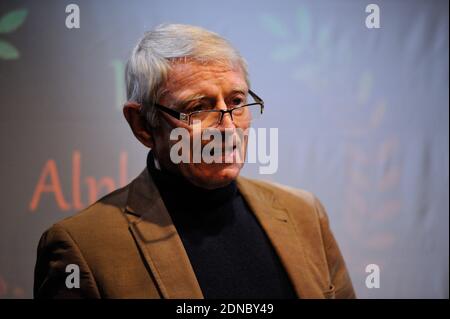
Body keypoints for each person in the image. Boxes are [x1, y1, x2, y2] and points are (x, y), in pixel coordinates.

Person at [34, 24, 355, 299]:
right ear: (143, 125)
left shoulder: (305, 214)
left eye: (237, 102)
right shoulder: (83, 248)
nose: (228, 129)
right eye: (199, 108)